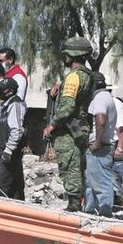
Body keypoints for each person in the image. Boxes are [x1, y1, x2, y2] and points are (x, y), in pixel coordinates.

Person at [43, 37, 94, 212]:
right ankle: (76, 203)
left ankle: (73, 206)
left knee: (70, 166)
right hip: (80, 128)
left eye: (66, 54)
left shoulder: (73, 77)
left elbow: (67, 106)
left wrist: (52, 125)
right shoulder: (86, 75)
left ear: (72, 54)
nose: (64, 57)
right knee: (76, 166)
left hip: (69, 132)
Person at [84, 72, 118, 217]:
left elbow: (101, 119)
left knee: (102, 182)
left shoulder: (100, 98)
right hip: (102, 146)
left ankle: (105, 213)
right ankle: (89, 211)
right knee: (91, 181)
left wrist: (97, 142)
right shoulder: (106, 97)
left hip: (101, 147)